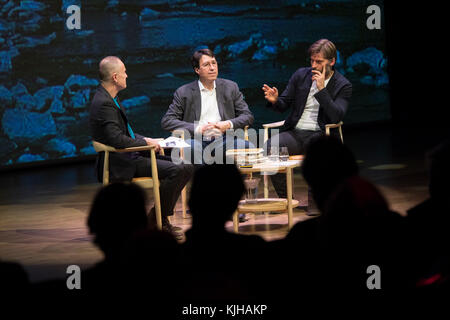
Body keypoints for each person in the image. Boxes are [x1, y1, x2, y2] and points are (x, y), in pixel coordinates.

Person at [89, 56, 193, 239]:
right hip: (121, 161)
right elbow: (118, 140)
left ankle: (157, 218)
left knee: (185, 165)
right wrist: (146, 144)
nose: (127, 76)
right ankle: (157, 220)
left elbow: (126, 134)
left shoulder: (110, 98)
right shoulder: (104, 103)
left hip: (130, 155)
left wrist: (150, 139)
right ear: (115, 77)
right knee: (178, 169)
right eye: (124, 72)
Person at [262, 39, 352, 205]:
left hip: (321, 134)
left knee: (321, 153)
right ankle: (286, 198)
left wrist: (322, 90)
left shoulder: (343, 85)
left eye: (319, 62)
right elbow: (284, 104)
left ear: (332, 61)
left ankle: (315, 201)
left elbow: (336, 116)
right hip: (296, 132)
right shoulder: (300, 75)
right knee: (270, 146)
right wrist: (275, 100)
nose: (314, 66)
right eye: (312, 61)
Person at [161, 48, 254, 165]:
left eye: (214, 63)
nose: (212, 68)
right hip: (196, 139)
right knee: (191, 147)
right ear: (197, 70)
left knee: (247, 146)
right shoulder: (184, 92)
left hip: (225, 139)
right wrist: (199, 128)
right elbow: (167, 121)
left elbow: (248, 116)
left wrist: (227, 124)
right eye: (206, 65)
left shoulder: (231, 87)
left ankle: (235, 182)